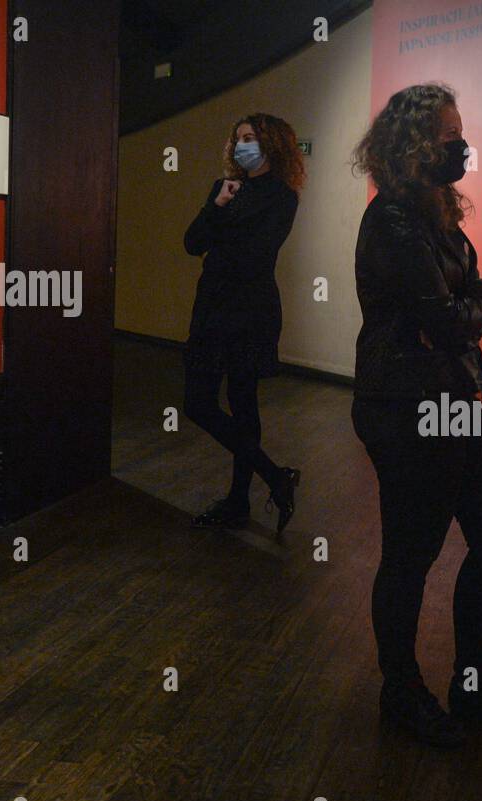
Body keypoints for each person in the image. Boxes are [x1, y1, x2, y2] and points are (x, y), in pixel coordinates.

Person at [351, 83, 482, 748]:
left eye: (460, 134)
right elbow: (445, 317)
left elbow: (461, 308)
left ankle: (473, 683)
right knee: (411, 554)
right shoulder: (392, 221)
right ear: (412, 144)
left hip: (455, 396)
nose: (459, 146)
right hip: (405, 405)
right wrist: (474, 308)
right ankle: (400, 691)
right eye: (447, 136)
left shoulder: (435, 215)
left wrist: (470, 308)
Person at [182, 113, 303, 534]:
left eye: (249, 138)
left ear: (271, 144)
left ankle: (238, 501)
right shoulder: (224, 188)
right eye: (237, 140)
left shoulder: (283, 197)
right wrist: (217, 206)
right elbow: (191, 243)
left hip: (250, 311)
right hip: (212, 306)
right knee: (196, 403)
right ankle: (275, 476)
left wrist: (222, 234)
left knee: (243, 402)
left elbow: (254, 254)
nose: (240, 146)